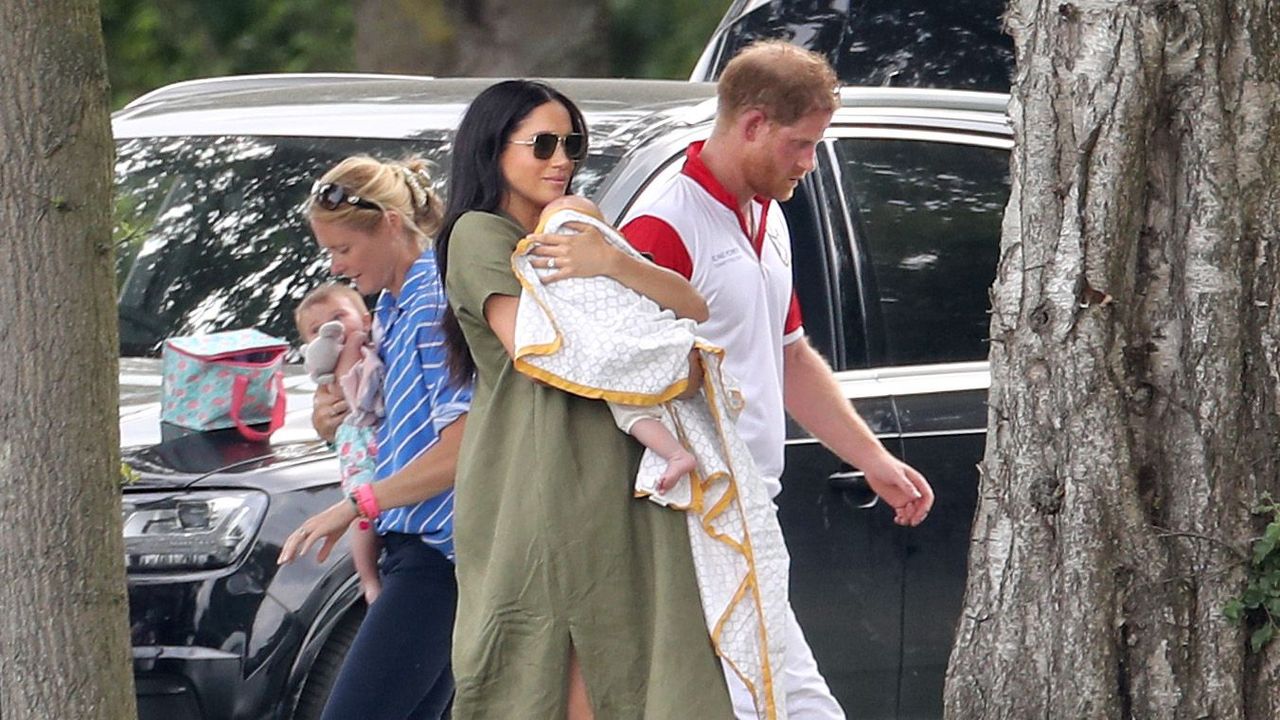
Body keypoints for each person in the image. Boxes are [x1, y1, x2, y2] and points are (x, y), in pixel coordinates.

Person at [621, 41, 936, 719]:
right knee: (782, 701)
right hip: (691, 519)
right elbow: (616, 378)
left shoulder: (770, 217)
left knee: (785, 699)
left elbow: (789, 356)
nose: (809, 163)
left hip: (752, 508)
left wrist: (872, 458)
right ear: (753, 123)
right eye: (800, 144)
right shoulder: (663, 227)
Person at [435, 79, 734, 719]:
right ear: (492, 148)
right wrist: (665, 360)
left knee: (634, 655)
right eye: (542, 144)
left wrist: (612, 261)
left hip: (621, 474)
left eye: (572, 144)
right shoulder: (477, 235)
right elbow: (542, 348)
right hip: (538, 480)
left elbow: (693, 305)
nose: (561, 160)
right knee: (551, 663)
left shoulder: (578, 228)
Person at [277, 155, 472, 720]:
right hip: (413, 547)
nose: (337, 268)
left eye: (343, 250)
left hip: (441, 554)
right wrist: (332, 418)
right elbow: (390, 421)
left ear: (390, 223)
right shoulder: (391, 306)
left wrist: (355, 505)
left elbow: (463, 446)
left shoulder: (435, 302)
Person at [524, 195, 696, 492]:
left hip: (629, 332)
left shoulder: (610, 255)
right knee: (629, 407)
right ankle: (677, 453)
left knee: (630, 406)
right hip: (618, 345)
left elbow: (696, 308)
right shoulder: (495, 239)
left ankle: (677, 454)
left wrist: (611, 260)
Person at [294, 282, 385, 605]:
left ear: (366, 317)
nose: (331, 331)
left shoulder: (383, 345)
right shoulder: (327, 370)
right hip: (358, 453)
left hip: (389, 457)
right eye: (317, 330)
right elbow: (341, 389)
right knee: (360, 515)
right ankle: (368, 580)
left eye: (338, 318)